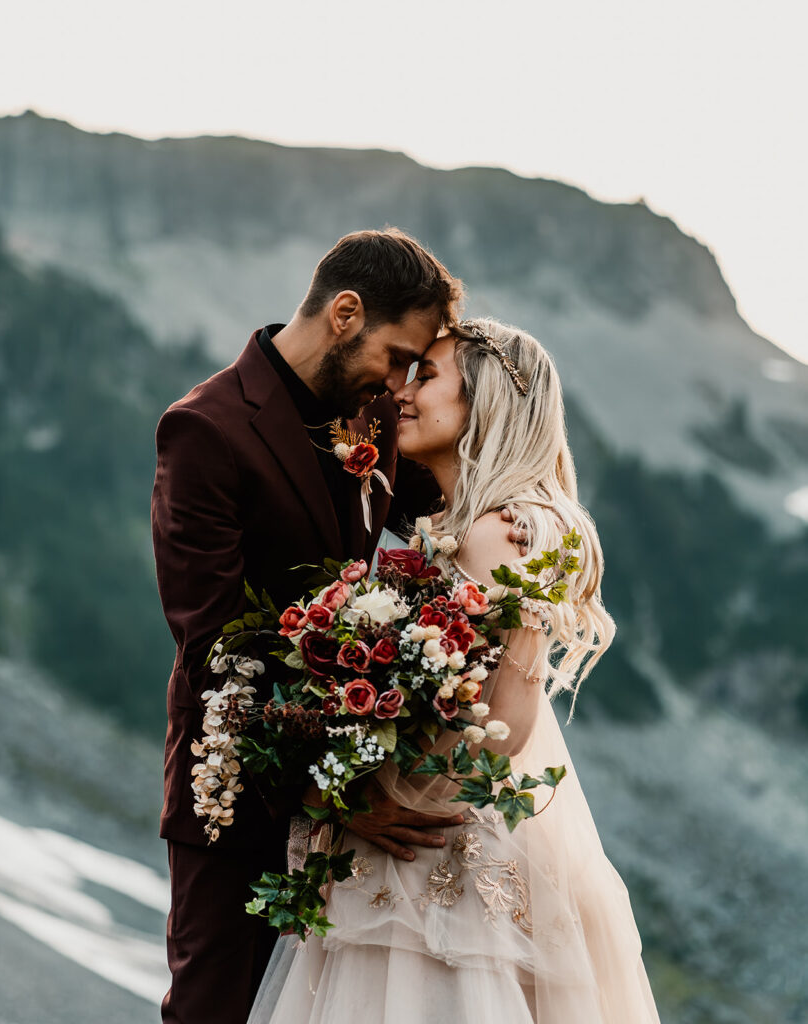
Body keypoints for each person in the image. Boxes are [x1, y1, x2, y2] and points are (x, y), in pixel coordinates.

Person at [248, 318, 662, 1023]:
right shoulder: (486, 522)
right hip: (432, 835)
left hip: (426, 850)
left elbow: (505, 724)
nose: (401, 394)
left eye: (427, 377)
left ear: (486, 403)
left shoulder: (495, 532)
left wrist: (375, 794)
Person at [151, 228, 470, 1024]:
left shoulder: (369, 413)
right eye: (397, 357)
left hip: (357, 783)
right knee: (213, 1009)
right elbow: (216, 643)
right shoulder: (205, 429)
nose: (401, 386)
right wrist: (325, 793)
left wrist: (521, 521)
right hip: (240, 788)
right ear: (344, 312)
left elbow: (447, 508)